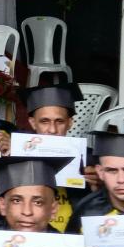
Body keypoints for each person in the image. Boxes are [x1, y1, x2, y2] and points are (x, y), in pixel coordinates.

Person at [20, 83, 88, 231]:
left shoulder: (88, 161)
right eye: (44, 121)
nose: (52, 130)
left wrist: (96, 188)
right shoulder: (16, 157)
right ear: (33, 123)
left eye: (59, 121)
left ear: (70, 123)